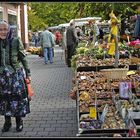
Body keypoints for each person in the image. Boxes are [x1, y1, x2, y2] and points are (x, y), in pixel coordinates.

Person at [0, 20, 31, 132]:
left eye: (5, 29)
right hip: (2, 77)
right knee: (4, 100)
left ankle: (19, 122)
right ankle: (7, 122)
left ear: (9, 30)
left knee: (17, 100)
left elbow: (23, 58)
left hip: (15, 76)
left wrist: (28, 73)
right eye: (0, 29)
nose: (3, 32)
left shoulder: (16, 41)